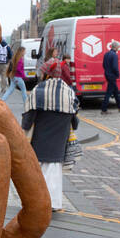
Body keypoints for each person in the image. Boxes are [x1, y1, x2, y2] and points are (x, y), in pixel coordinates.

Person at [21, 61, 80, 212]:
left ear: (46, 74)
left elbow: (28, 121)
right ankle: (53, 203)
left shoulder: (38, 90)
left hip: (40, 141)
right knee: (54, 173)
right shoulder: (69, 92)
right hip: (59, 142)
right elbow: (75, 122)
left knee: (39, 171)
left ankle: (38, 202)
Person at [100, 40, 120, 114]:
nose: (118, 48)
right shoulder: (114, 55)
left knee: (116, 91)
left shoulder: (106, 54)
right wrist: (117, 74)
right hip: (112, 75)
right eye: (118, 47)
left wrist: (107, 71)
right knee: (109, 92)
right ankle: (104, 109)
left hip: (107, 74)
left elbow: (103, 65)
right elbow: (114, 67)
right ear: (115, 47)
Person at [1, 45, 28, 110]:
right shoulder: (20, 60)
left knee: (10, 90)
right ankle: (27, 104)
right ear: (22, 52)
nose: (25, 52)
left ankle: (2, 101)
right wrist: (24, 76)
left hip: (13, 77)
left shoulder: (15, 58)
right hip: (18, 77)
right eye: (24, 51)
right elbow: (19, 69)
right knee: (23, 90)